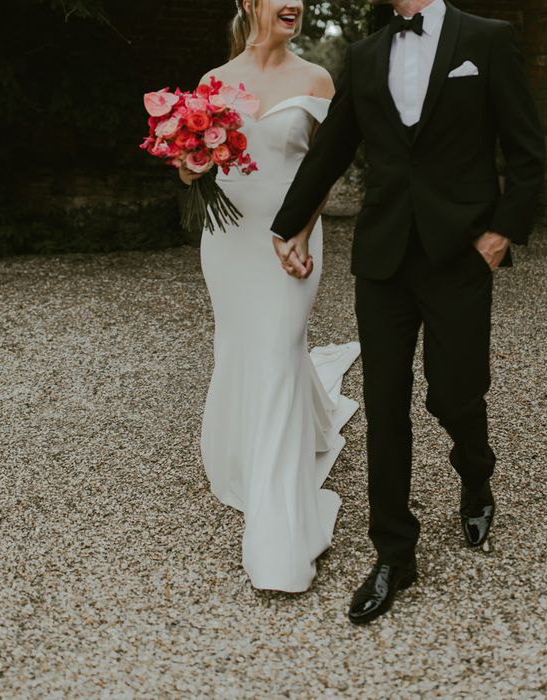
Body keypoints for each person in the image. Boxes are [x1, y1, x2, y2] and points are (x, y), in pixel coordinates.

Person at [271, 0, 546, 623]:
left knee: (455, 392)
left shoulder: (489, 40)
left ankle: (476, 477)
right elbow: (332, 148)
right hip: (384, 257)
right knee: (384, 401)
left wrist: (500, 235)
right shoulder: (365, 54)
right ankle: (395, 552)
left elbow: (528, 149)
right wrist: (287, 226)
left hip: (460, 254)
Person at [180, 0, 360, 593]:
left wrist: (300, 230)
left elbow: (328, 166)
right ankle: (243, 459)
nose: (295, 4)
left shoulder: (317, 79)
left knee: (281, 349)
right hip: (228, 241)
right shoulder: (214, 83)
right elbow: (194, 171)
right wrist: (186, 159)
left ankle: (279, 525)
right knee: (238, 345)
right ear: (247, 3)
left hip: (292, 238)